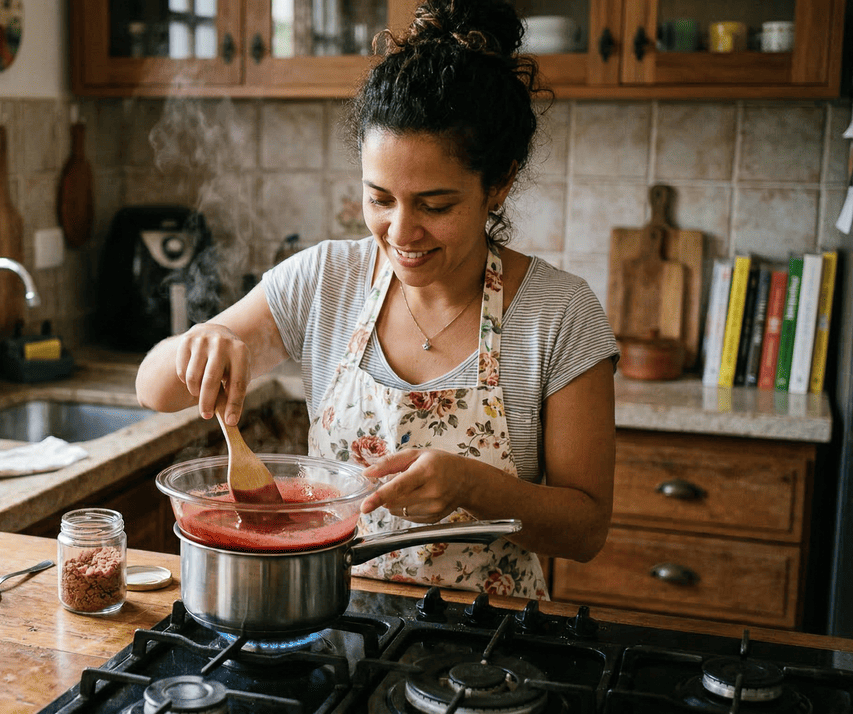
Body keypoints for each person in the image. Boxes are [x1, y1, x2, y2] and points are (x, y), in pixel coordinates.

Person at [135, 0, 617, 599]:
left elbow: (587, 529)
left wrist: (475, 487)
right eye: (380, 199)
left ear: (499, 184)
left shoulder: (559, 314)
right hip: (331, 618)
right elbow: (154, 390)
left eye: (436, 205)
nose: (401, 232)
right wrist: (204, 339)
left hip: (489, 653)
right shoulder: (324, 281)